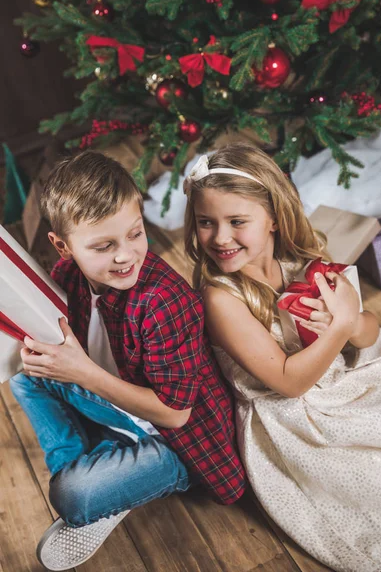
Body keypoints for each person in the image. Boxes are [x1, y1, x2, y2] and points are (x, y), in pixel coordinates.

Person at [10, 151, 246, 571]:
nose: (125, 256)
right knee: (24, 376)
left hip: (175, 443)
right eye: (104, 246)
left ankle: (100, 480)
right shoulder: (68, 276)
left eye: (135, 234)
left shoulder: (163, 301)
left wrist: (81, 372)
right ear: (62, 247)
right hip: (117, 407)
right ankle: (97, 469)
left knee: (72, 496)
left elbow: (175, 416)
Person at [183, 143, 381, 572]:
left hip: (338, 376)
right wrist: (337, 329)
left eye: (237, 221)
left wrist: (350, 321)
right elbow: (288, 381)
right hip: (295, 414)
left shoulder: (298, 262)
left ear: (274, 220)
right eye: (206, 222)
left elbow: (368, 328)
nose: (220, 237)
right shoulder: (221, 298)